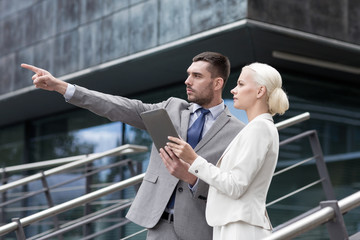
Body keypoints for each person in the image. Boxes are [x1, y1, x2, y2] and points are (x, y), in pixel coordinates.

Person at [21, 52, 245, 240]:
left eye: (197, 76)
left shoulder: (237, 132)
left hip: (201, 230)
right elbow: (118, 106)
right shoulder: (172, 107)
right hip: (158, 227)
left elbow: (235, 188)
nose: (187, 81)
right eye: (188, 75)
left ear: (217, 83)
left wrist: (193, 179)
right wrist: (62, 87)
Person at [160, 62, 289, 239]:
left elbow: (235, 185)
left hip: (240, 228)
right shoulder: (255, 128)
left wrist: (193, 159)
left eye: (241, 84)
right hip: (232, 224)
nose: (233, 90)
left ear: (260, 91)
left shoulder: (259, 128)